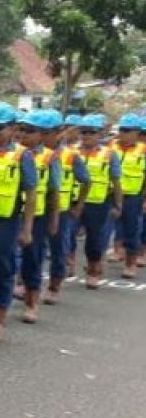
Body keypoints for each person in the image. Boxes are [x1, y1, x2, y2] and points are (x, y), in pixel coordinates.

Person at [0, 102, 36, 344]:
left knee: (2, 270)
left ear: (13, 129)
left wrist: (27, 229)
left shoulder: (22, 156)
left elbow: (31, 193)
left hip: (5, 221)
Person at [16, 110, 61, 324]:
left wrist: (53, 220)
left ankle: (32, 303)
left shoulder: (50, 157)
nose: (23, 134)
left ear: (42, 135)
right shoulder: (12, 154)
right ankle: (2, 302)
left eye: (29, 131)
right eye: (21, 129)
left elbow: (54, 192)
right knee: (5, 262)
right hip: (10, 214)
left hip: (37, 217)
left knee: (33, 259)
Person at [45, 111, 89, 304]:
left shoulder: (70, 156)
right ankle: (24, 283)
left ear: (58, 132)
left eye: (46, 131)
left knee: (58, 249)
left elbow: (86, 181)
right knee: (29, 249)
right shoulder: (28, 153)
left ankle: (54, 285)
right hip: (35, 208)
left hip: (61, 210)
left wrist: (78, 205)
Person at [77, 114, 122, 289]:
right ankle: (67, 264)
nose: (86, 136)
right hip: (73, 203)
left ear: (100, 134)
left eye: (91, 132)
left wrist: (118, 204)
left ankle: (93, 269)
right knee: (65, 238)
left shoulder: (109, 155)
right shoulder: (72, 152)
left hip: (98, 203)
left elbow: (116, 181)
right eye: (83, 132)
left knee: (95, 240)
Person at [110, 114, 145, 280]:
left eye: (127, 130)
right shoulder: (111, 147)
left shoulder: (143, 150)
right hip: (109, 194)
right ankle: (112, 253)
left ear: (137, 133)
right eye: (121, 129)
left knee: (132, 228)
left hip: (133, 196)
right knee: (109, 226)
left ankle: (130, 263)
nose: (122, 133)